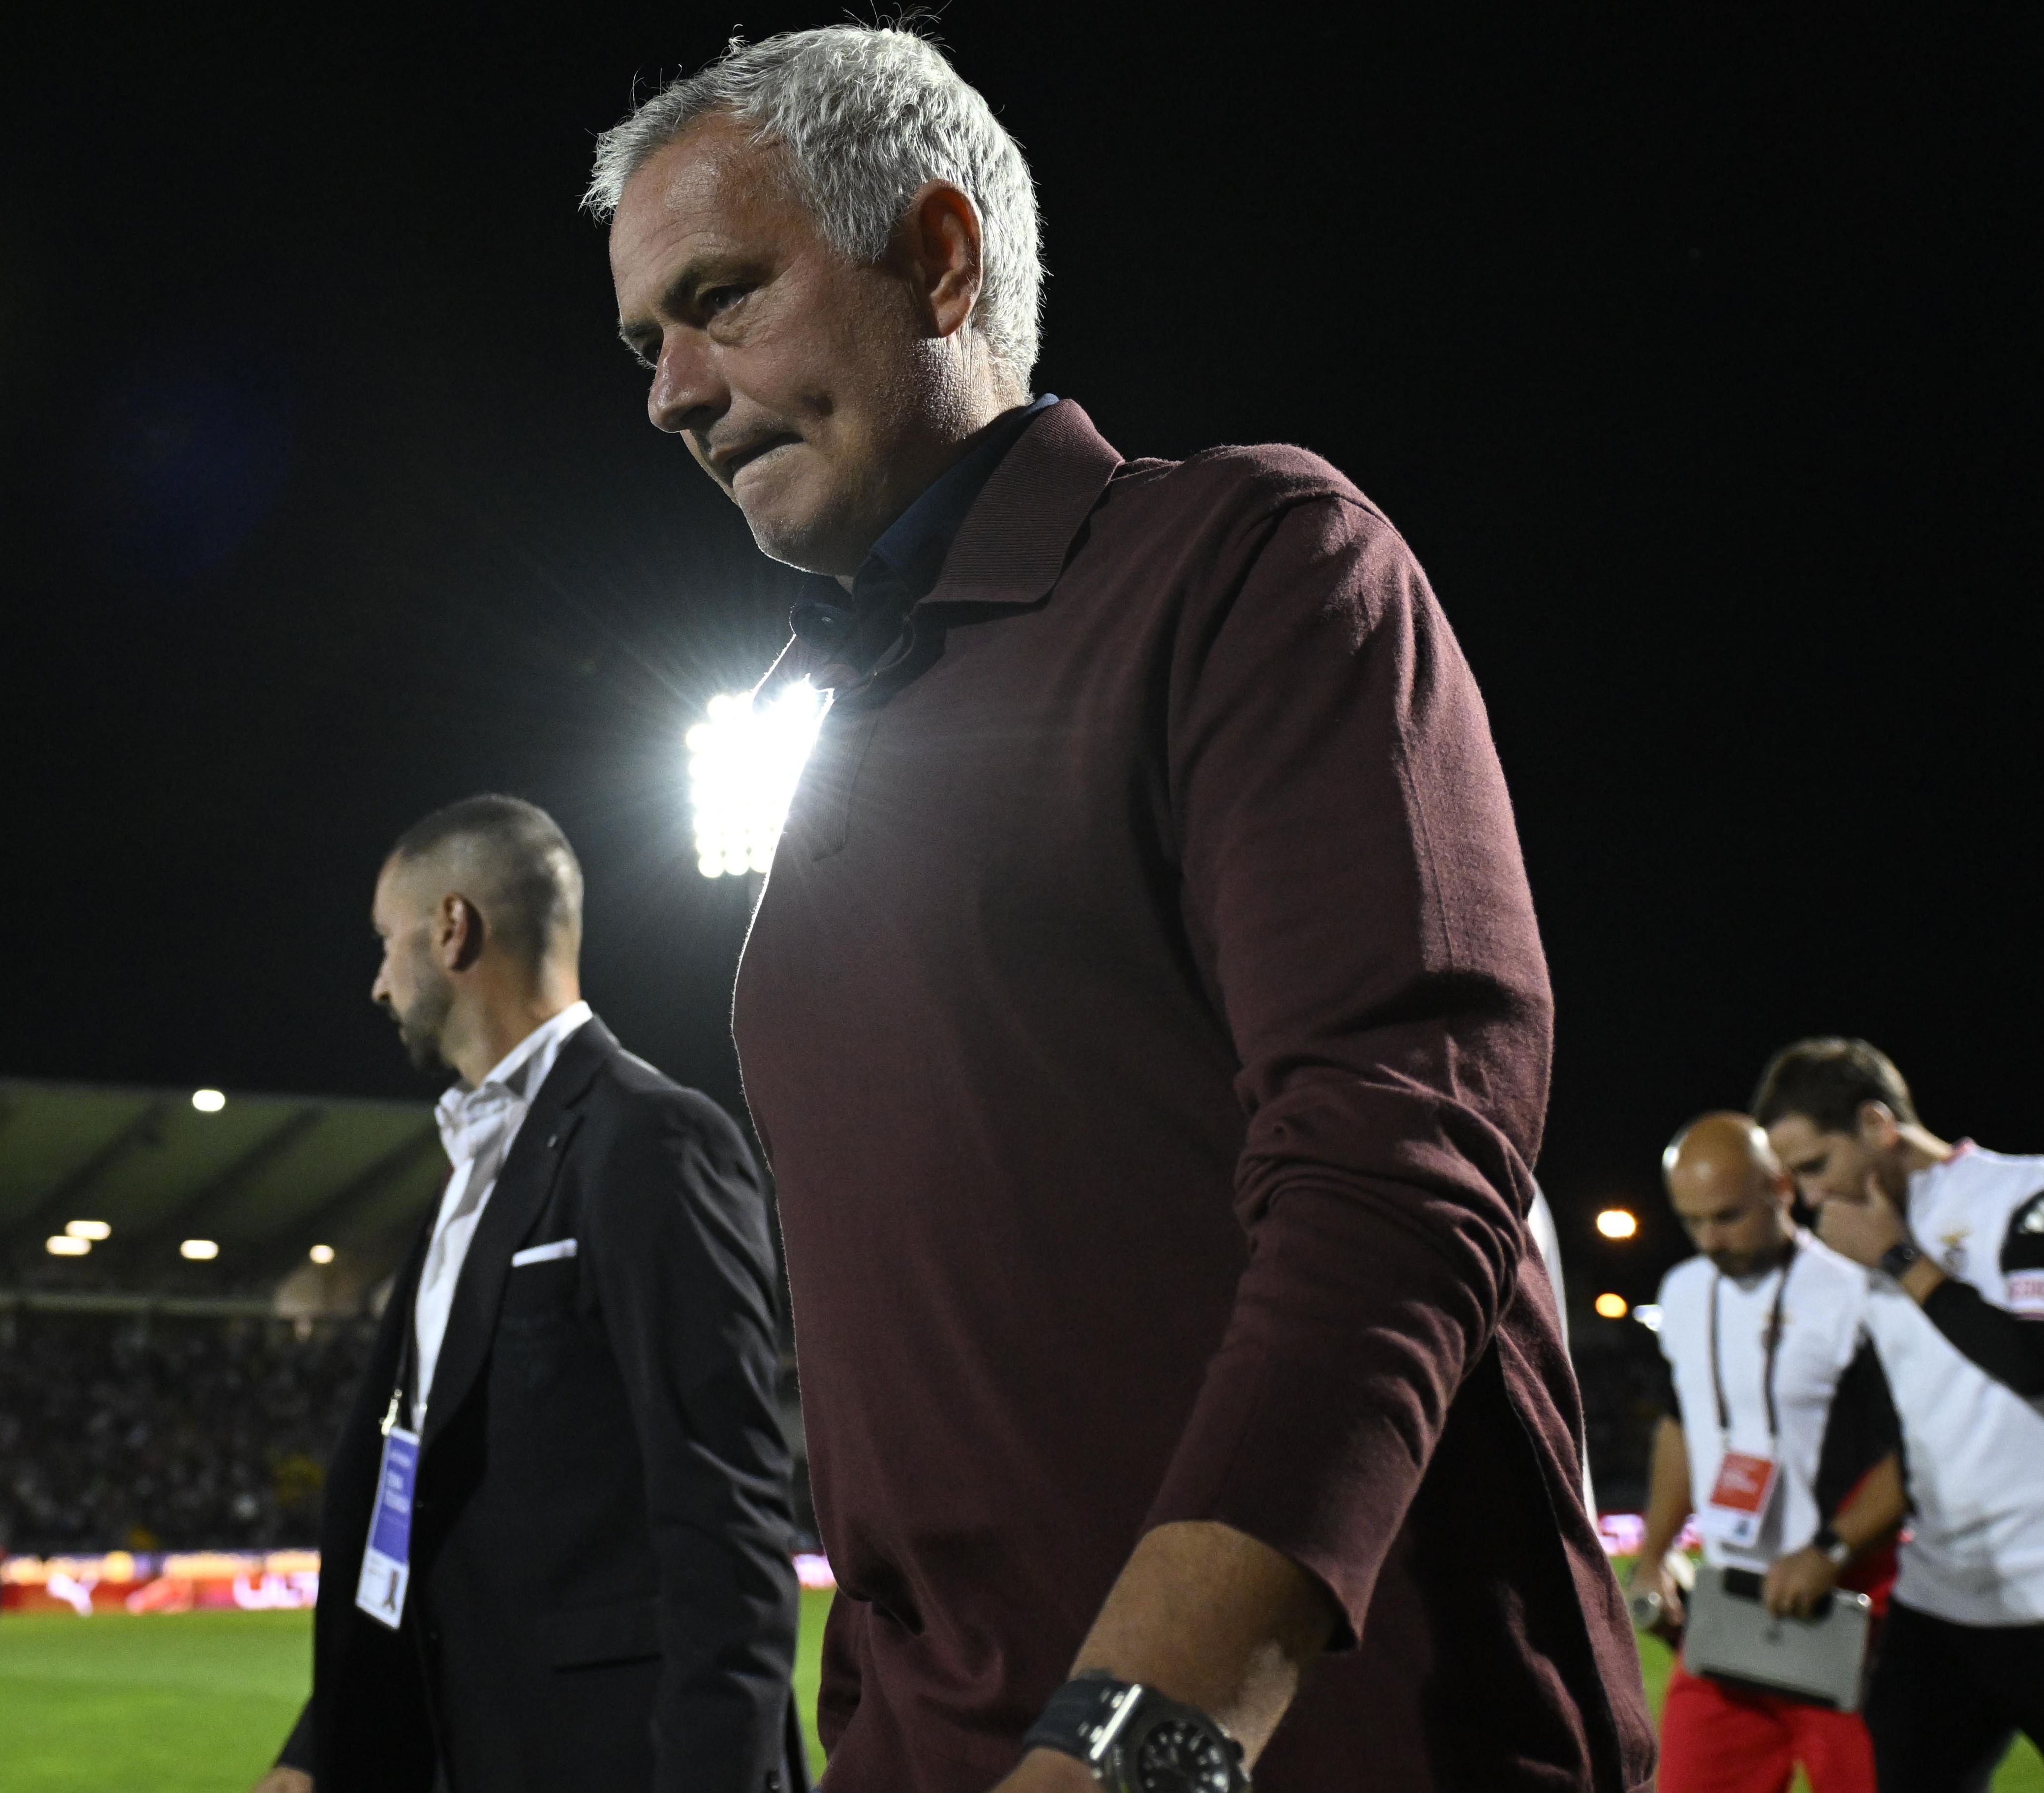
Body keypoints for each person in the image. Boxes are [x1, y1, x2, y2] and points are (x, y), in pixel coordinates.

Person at [588, 27, 1651, 1793]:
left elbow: (1399, 1181)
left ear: (935, 259)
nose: (669, 392)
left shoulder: (1251, 563)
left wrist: (1133, 1744)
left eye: (720, 299)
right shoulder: (829, 747)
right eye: (643, 342)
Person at [256, 796, 804, 1793]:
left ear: (452, 928)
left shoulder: (651, 1142)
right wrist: (318, 1746)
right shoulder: (471, 1171)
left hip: (611, 1758)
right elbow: (422, 1501)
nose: (377, 983)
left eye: (387, 943)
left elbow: (722, 1522)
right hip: (472, 1748)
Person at [1753, 1038, 2044, 1792]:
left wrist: (1898, 1258)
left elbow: (2035, 1363)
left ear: (1878, 1123)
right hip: (1943, 1591)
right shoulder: (1855, 1241)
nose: (1813, 1196)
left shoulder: (2034, 1191)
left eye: (1818, 1165)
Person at [1631, 1114, 1904, 1793]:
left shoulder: (1856, 1291)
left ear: (1781, 1187)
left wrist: (1831, 1549)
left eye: (1727, 1215)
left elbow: (1917, 1452)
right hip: (1728, 1610)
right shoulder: (1684, 1290)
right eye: (1692, 1221)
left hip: (1851, 1605)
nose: (1710, 1239)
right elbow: (1680, 1427)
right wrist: (1655, 1552)